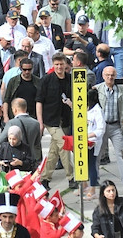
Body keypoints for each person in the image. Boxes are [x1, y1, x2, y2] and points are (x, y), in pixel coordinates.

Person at [37, 53, 76, 190]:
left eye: (61, 64)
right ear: (53, 65)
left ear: (66, 64)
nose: (59, 67)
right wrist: (40, 122)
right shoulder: (46, 80)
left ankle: (44, 179)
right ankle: (71, 177)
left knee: (54, 151)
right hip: (50, 120)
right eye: (57, 64)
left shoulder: (70, 79)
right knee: (64, 145)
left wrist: (72, 105)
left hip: (65, 120)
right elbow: (39, 101)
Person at [95, 66, 123, 190]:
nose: (110, 77)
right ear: (103, 76)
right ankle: (95, 181)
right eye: (107, 75)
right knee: (98, 154)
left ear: (115, 76)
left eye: (112, 75)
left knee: (121, 154)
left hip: (116, 126)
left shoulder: (121, 90)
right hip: (102, 126)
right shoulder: (97, 89)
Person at [81, 89, 106, 200]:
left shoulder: (97, 111)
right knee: (83, 164)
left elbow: (101, 129)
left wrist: (89, 135)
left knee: (92, 165)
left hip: (93, 142)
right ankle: (84, 186)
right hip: (83, 141)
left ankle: (93, 189)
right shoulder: (86, 109)